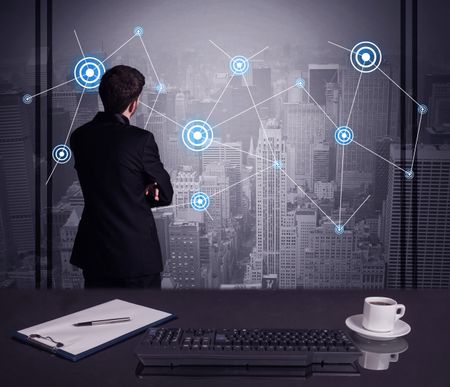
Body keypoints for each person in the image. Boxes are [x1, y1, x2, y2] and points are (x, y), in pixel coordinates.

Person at [69, 65, 173, 289]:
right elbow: (165, 194)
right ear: (134, 104)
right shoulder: (140, 140)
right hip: (137, 257)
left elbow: (104, 184)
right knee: (143, 319)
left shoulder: (79, 137)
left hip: (95, 255)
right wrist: (139, 192)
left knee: (100, 319)